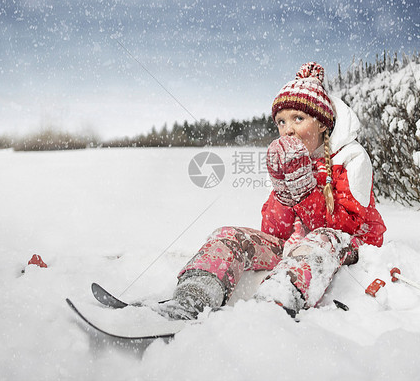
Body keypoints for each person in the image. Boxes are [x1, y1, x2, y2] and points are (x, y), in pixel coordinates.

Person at [157, 62, 386, 319]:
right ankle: (192, 296)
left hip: (343, 246)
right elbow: (274, 233)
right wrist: (282, 187)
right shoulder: (290, 158)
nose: (287, 129)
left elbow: (348, 229)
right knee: (231, 235)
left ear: (322, 124)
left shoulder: (350, 159)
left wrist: (304, 190)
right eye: (281, 121)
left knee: (320, 240)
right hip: (297, 246)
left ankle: (273, 307)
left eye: (298, 119)